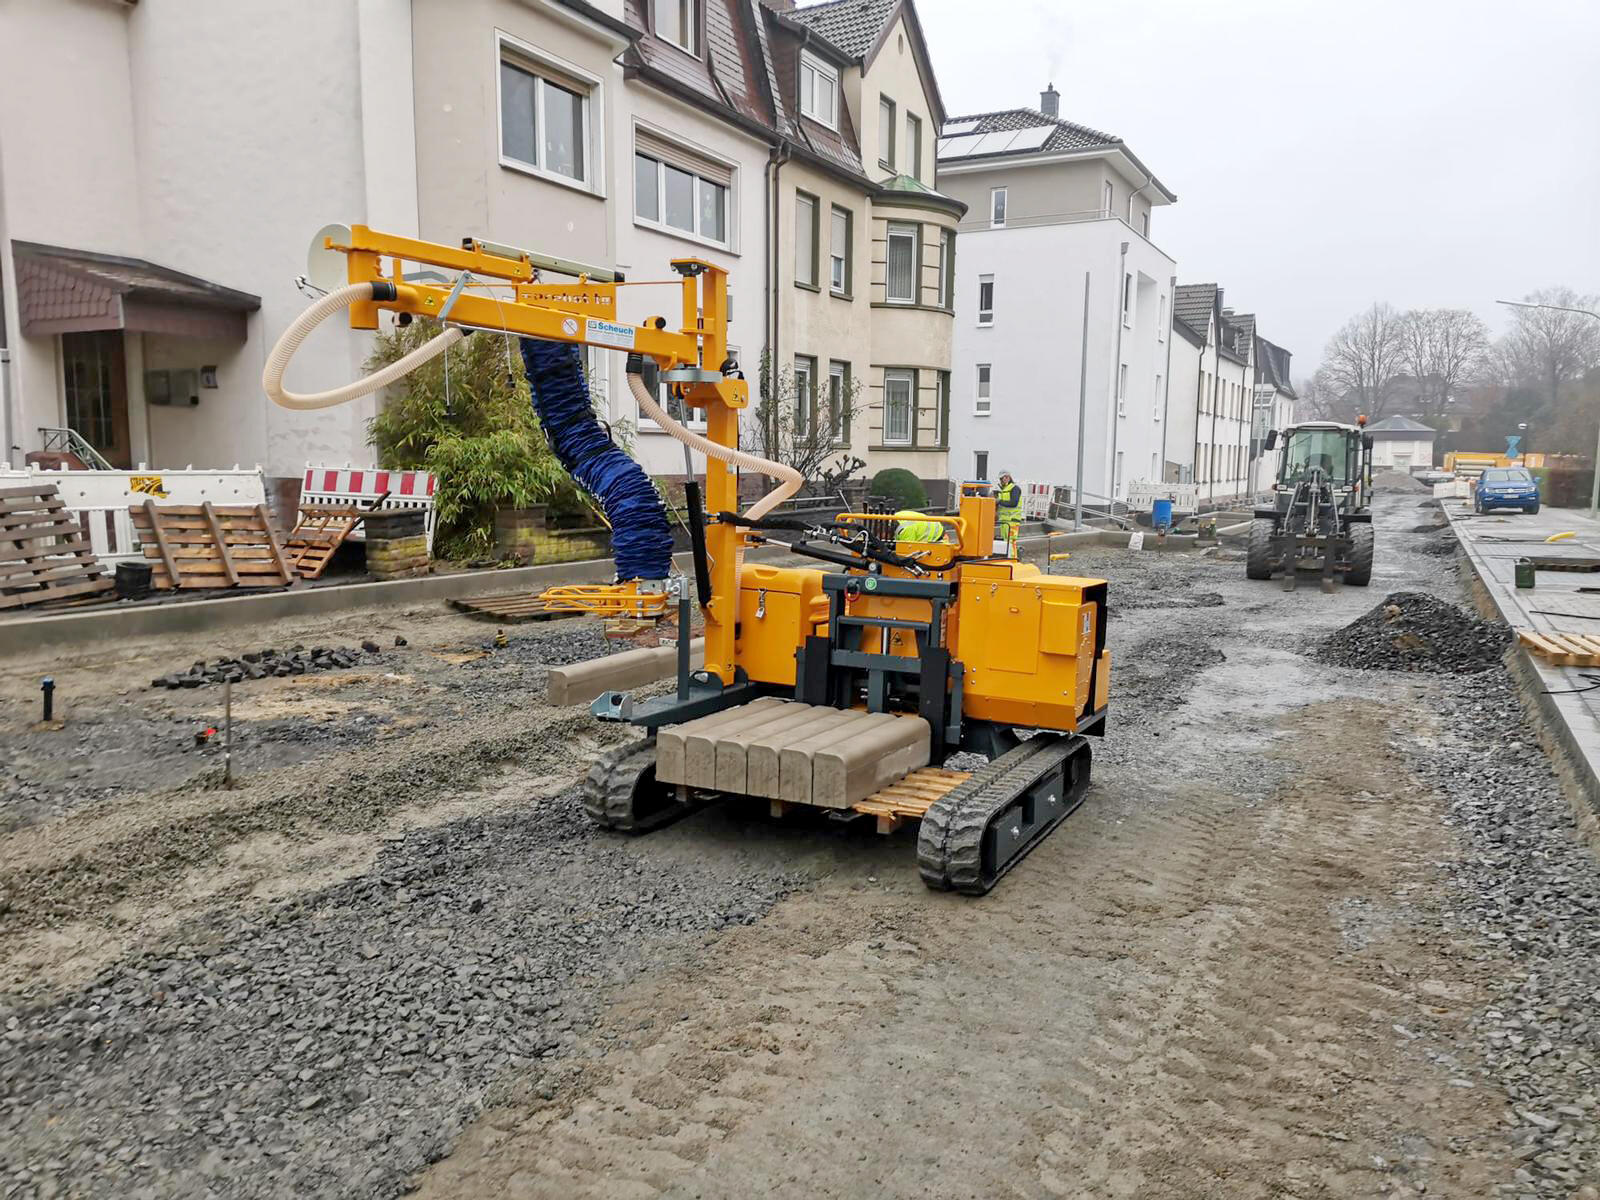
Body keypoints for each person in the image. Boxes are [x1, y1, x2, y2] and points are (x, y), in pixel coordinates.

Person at [995, 471, 1022, 555]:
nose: (1001, 481)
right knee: (1006, 542)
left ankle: (1012, 559)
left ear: (1008, 478)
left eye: (1002, 479)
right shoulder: (1003, 490)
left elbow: (1013, 503)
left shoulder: (1015, 488)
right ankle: (1008, 558)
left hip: (1012, 521)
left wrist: (999, 501)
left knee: (1011, 542)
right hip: (1004, 522)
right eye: (1001, 479)